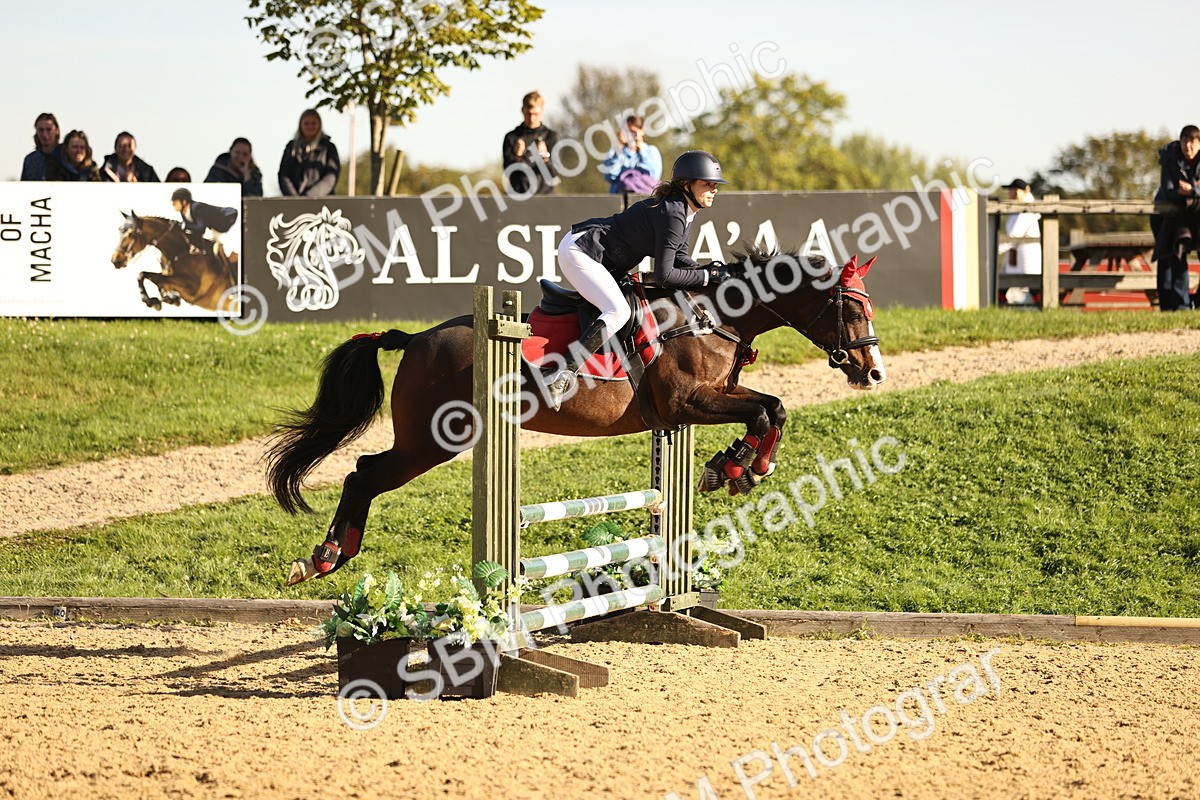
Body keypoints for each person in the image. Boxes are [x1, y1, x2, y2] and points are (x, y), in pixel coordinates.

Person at [542, 150, 730, 410]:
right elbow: (665, 275)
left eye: (715, 185)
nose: (714, 190)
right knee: (617, 310)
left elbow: (680, 257)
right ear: (687, 185)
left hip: (601, 255)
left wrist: (710, 271)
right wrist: (707, 276)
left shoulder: (687, 209)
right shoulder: (673, 213)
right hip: (582, 251)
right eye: (707, 184)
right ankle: (562, 374)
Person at [1150, 125, 1200, 310]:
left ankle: (1189, 303)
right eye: (1185, 140)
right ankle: (1172, 306)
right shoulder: (1170, 158)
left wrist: (1192, 190)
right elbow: (1169, 190)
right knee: (1170, 256)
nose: (1188, 146)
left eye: (1193, 141)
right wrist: (1193, 192)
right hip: (1166, 216)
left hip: (1192, 215)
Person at [502, 91, 559, 195]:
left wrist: (545, 157)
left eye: (535, 114)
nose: (532, 119)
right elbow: (507, 173)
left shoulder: (551, 137)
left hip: (545, 199)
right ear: (522, 111)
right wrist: (517, 157)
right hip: (519, 198)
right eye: (528, 114)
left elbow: (554, 174)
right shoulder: (512, 137)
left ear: (542, 111)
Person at [170, 187, 238, 273]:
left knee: (229, 254)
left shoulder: (197, 208)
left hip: (231, 223)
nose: (173, 204)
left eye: (175, 202)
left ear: (184, 201)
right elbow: (196, 231)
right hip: (216, 229)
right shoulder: (183, 212)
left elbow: (200, 227)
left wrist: (185, 226)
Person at [996, 179, 1042, 306]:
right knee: (1010, 282)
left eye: (1013, 190)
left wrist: (996, 250)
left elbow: (1014, 235)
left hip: (1026, 253)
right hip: (1017, 253)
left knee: (1031, 282)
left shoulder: (1026, 211)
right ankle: (1002, 305)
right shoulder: (1019, 209)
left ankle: (1045, 305)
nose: (1010, 193)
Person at [278, 109, 340, 197]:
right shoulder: (291, 147)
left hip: (321, 201)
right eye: (306, 123)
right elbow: (284, 175)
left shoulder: (329, 148)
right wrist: (295, 198)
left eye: (313, 123)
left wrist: (310, 197)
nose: (310, 127)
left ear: (319, 125)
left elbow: (330, 177)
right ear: (300, 125)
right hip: (294, 201)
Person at [598, 114, 662, 195]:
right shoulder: (615, 151)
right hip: (618, 199)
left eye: (634, 132)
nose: (630, 136)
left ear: (642, 130)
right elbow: (609, 176)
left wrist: (642, 152)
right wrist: (618, 150)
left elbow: (653, 176)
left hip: (645, 200)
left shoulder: (651, 151)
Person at [20, 112, 61, 181]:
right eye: (41, 130)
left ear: (56, 130)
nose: (45, 134)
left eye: (48, 129)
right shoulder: (30, 160)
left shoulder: (66, 156)